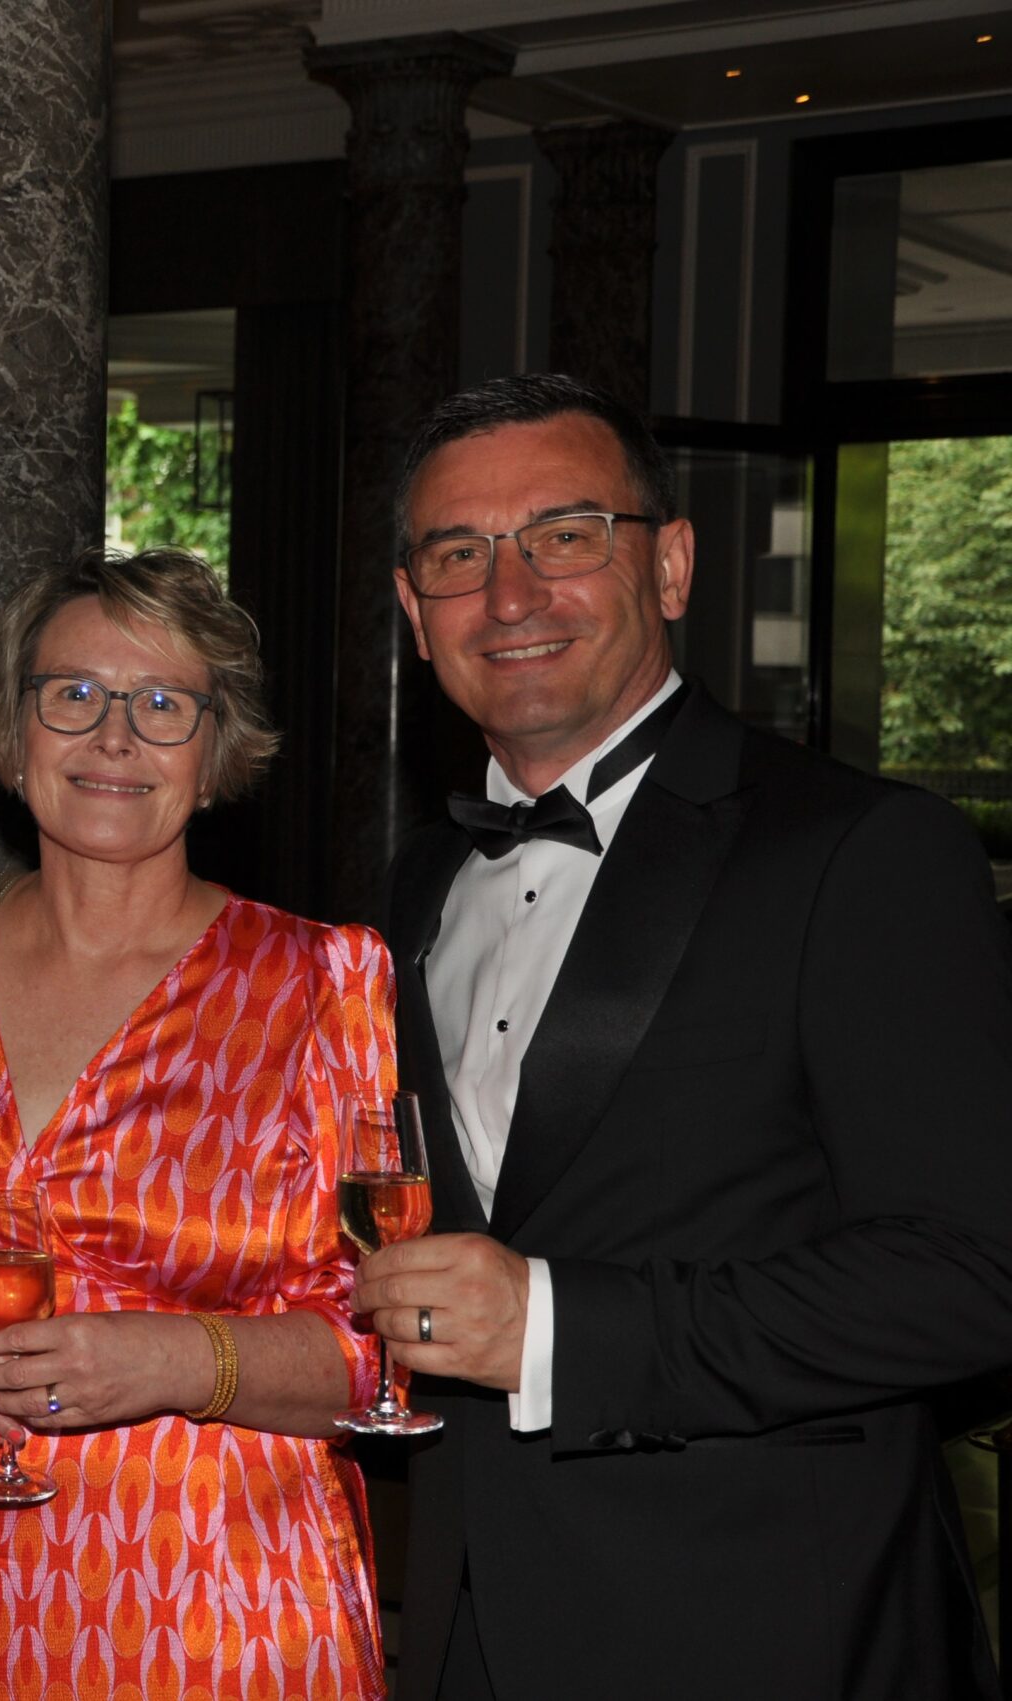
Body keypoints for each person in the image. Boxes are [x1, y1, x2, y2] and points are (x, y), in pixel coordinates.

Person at [361, 372, 1012, 1700]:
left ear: (668, 565)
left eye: (564, 535)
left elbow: (973, 1277)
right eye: (459, 554)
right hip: (464, 1631)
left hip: (768, 1632)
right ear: (414, 613)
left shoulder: (861, 851)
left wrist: (559, 1328)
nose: (510, 594)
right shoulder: (410, 885)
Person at [0, 547, 394, 1699]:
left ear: (215, 748)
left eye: (161, 704)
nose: (113, 737)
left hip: (228, 1615)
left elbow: (385, 1355)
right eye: (74, 694)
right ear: (13, 732)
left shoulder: (318, 985)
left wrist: (177, 1359)